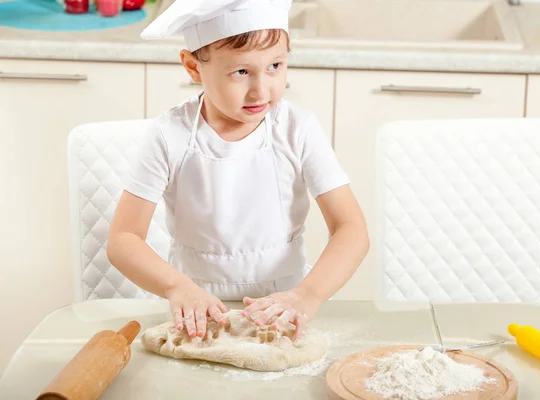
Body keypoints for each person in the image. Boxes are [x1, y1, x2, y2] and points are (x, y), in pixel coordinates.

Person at [107, 0, 369, 341]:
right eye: (241, 72)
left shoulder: (297, 129)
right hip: (197, 315)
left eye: (275, 65)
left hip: (285, 313)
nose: (262, 89)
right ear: (193, 67)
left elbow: (351, 228)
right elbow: (123, 239)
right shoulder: (169, 135)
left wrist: (308, 295)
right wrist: (176, 287)